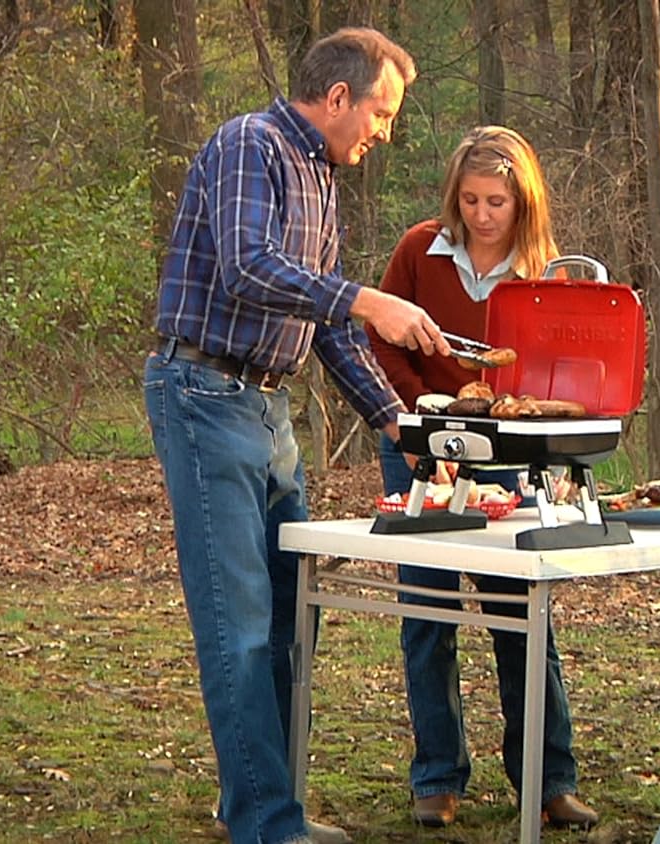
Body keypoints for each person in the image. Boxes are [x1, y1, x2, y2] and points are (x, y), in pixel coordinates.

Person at [143, 27, 451, 844]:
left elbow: (328, 328)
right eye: (380, 113)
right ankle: (268, 827)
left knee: (289, 620)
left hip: (268, 410)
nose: (384, 131)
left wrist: (400, 422)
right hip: (205, 395)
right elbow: (249, 267)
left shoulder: (319, 176)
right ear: (339, 97)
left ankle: (257, 805)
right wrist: (367, 299)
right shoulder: (253, 144)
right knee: (238, 625)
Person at [366, 126, 600, 830]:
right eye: (469, 199)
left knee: (523, 619)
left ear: (521, 200)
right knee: (428, 616)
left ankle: (548, 778)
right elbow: (379, 341)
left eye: (496, 200)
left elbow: (550, 373)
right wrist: (411, 424)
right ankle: (437, 776)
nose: (481, 214)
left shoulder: (545, 272)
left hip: (507, 450)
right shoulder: (419, 250)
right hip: (419, 442)